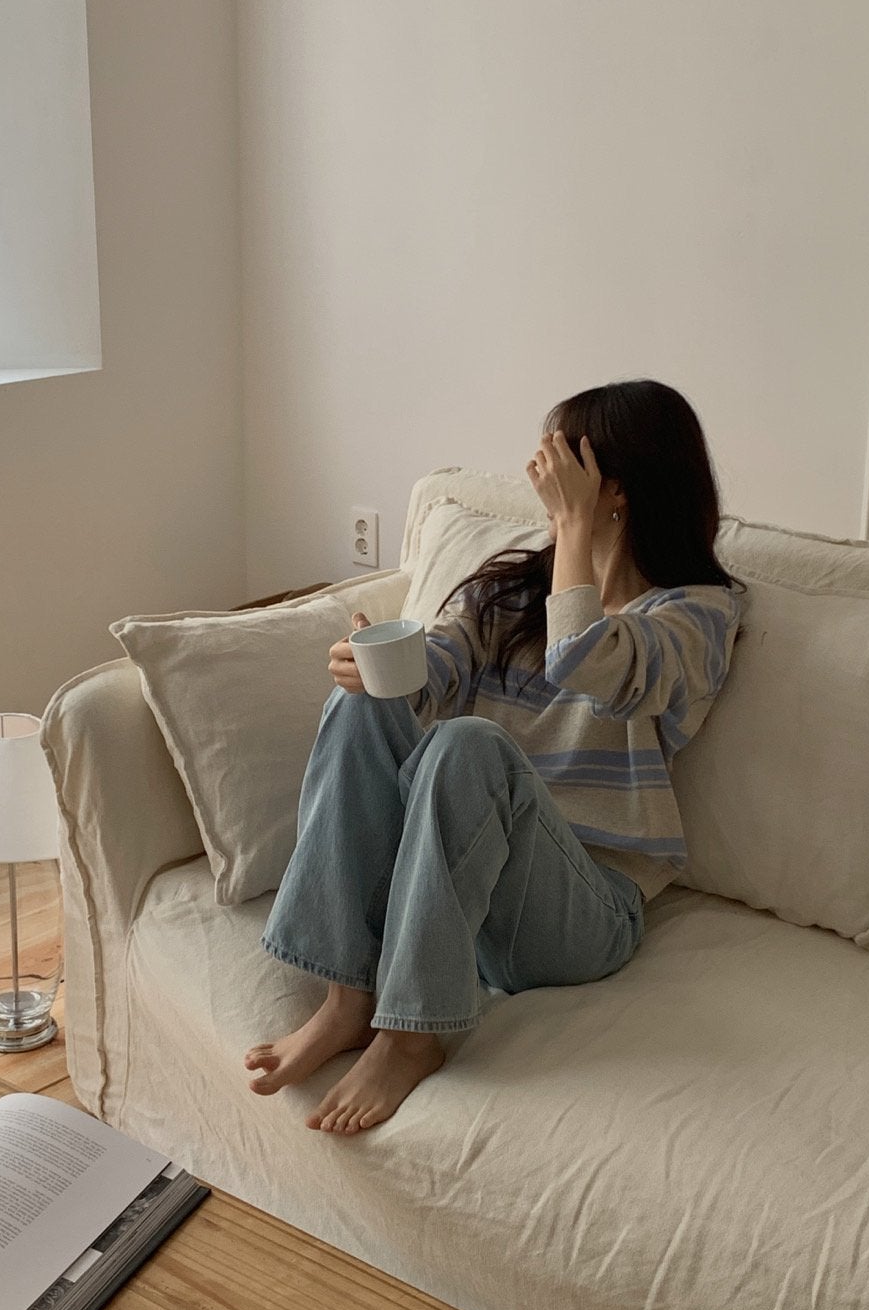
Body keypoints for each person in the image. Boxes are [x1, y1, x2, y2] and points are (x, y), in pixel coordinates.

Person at [243, 379, 748, 1137]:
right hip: (459, 894)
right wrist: (376, 665)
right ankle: (347, 999)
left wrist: (577, 531)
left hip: (584, 909)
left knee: (470, 742)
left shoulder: (695, 615)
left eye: (562, 467)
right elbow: (436, 668)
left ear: (617, 486)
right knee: (363, 704)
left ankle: (412, 1035)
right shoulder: (513, 592)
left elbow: (590, 658)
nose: (540, 481)